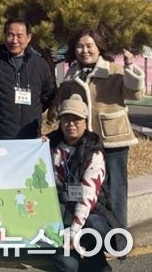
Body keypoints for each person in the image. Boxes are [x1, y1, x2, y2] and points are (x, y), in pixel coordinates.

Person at [54, 28, 143, 230]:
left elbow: (134, 93)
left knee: (116, 191)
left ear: (99, 48)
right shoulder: (73, 73)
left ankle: (118, 237)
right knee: (86, 189)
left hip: (113, 140)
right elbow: (63, 103)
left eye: (89, 46)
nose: (84, 51)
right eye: (79, 46)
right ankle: (93, 233)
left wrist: (130, 65)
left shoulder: (113, 70)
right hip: (84, 142)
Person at [47, 94, 122, 272]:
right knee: (69, 266)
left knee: (96, 226)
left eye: (77, 119)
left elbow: (87, 197)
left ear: (85, 121)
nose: (71, 124)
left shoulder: (94, 152)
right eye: (66, 119)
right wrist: (39, 145)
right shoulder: (50, 146)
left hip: (89, 212)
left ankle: (93, 255)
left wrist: (74, 232)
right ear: (60, 122)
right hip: (60, 214)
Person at [0, 18, 56, 140]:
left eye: (19, 36)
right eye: (10, 35)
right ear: (4, 36)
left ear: (28, 37)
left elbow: (48, 95)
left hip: (31, 136)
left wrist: (32, 111)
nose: (14, 41)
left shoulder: (40, 64)